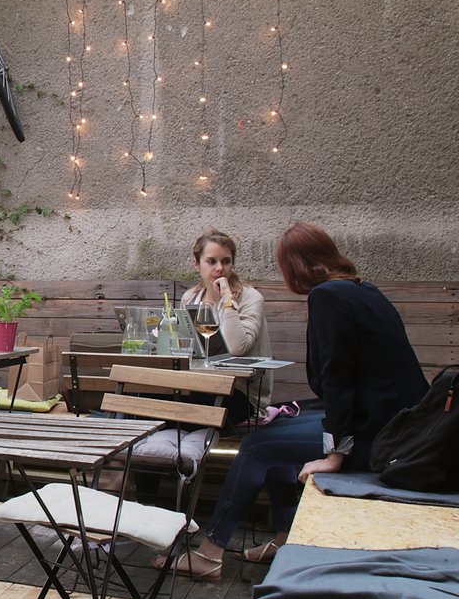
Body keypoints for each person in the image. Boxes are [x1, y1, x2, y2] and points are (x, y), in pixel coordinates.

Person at [158, 223, 427, 580]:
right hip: (400, 423)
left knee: (256, 446)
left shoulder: (327, 297)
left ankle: (210, 553)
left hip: (383, 437)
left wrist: (335, 455)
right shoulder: (363, 288)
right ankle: (285, 538)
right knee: (274, 431)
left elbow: (337, 379)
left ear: (297, 266)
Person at [179, 229, 273, 425]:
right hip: (200, 385)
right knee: (142, 395)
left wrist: (228, 300)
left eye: (226, 261)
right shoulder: (190, 299)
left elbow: (237, 348)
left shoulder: (250, 298)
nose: (219, 268)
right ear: (196, 264)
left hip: (240, 393)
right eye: (211, 261)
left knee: (169, 409)